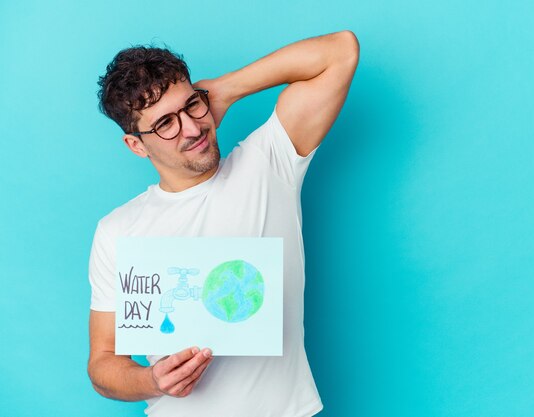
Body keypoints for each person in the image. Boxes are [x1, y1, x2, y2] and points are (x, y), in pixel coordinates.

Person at [87, 30, 359, 416]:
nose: (193, 128)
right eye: (166, 123)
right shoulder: (118, 231)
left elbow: (340, 50)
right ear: (137, 145)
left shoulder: (269, 164)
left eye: (192, 106)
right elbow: (102, 363)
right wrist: (151, 381)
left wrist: (225, 90)